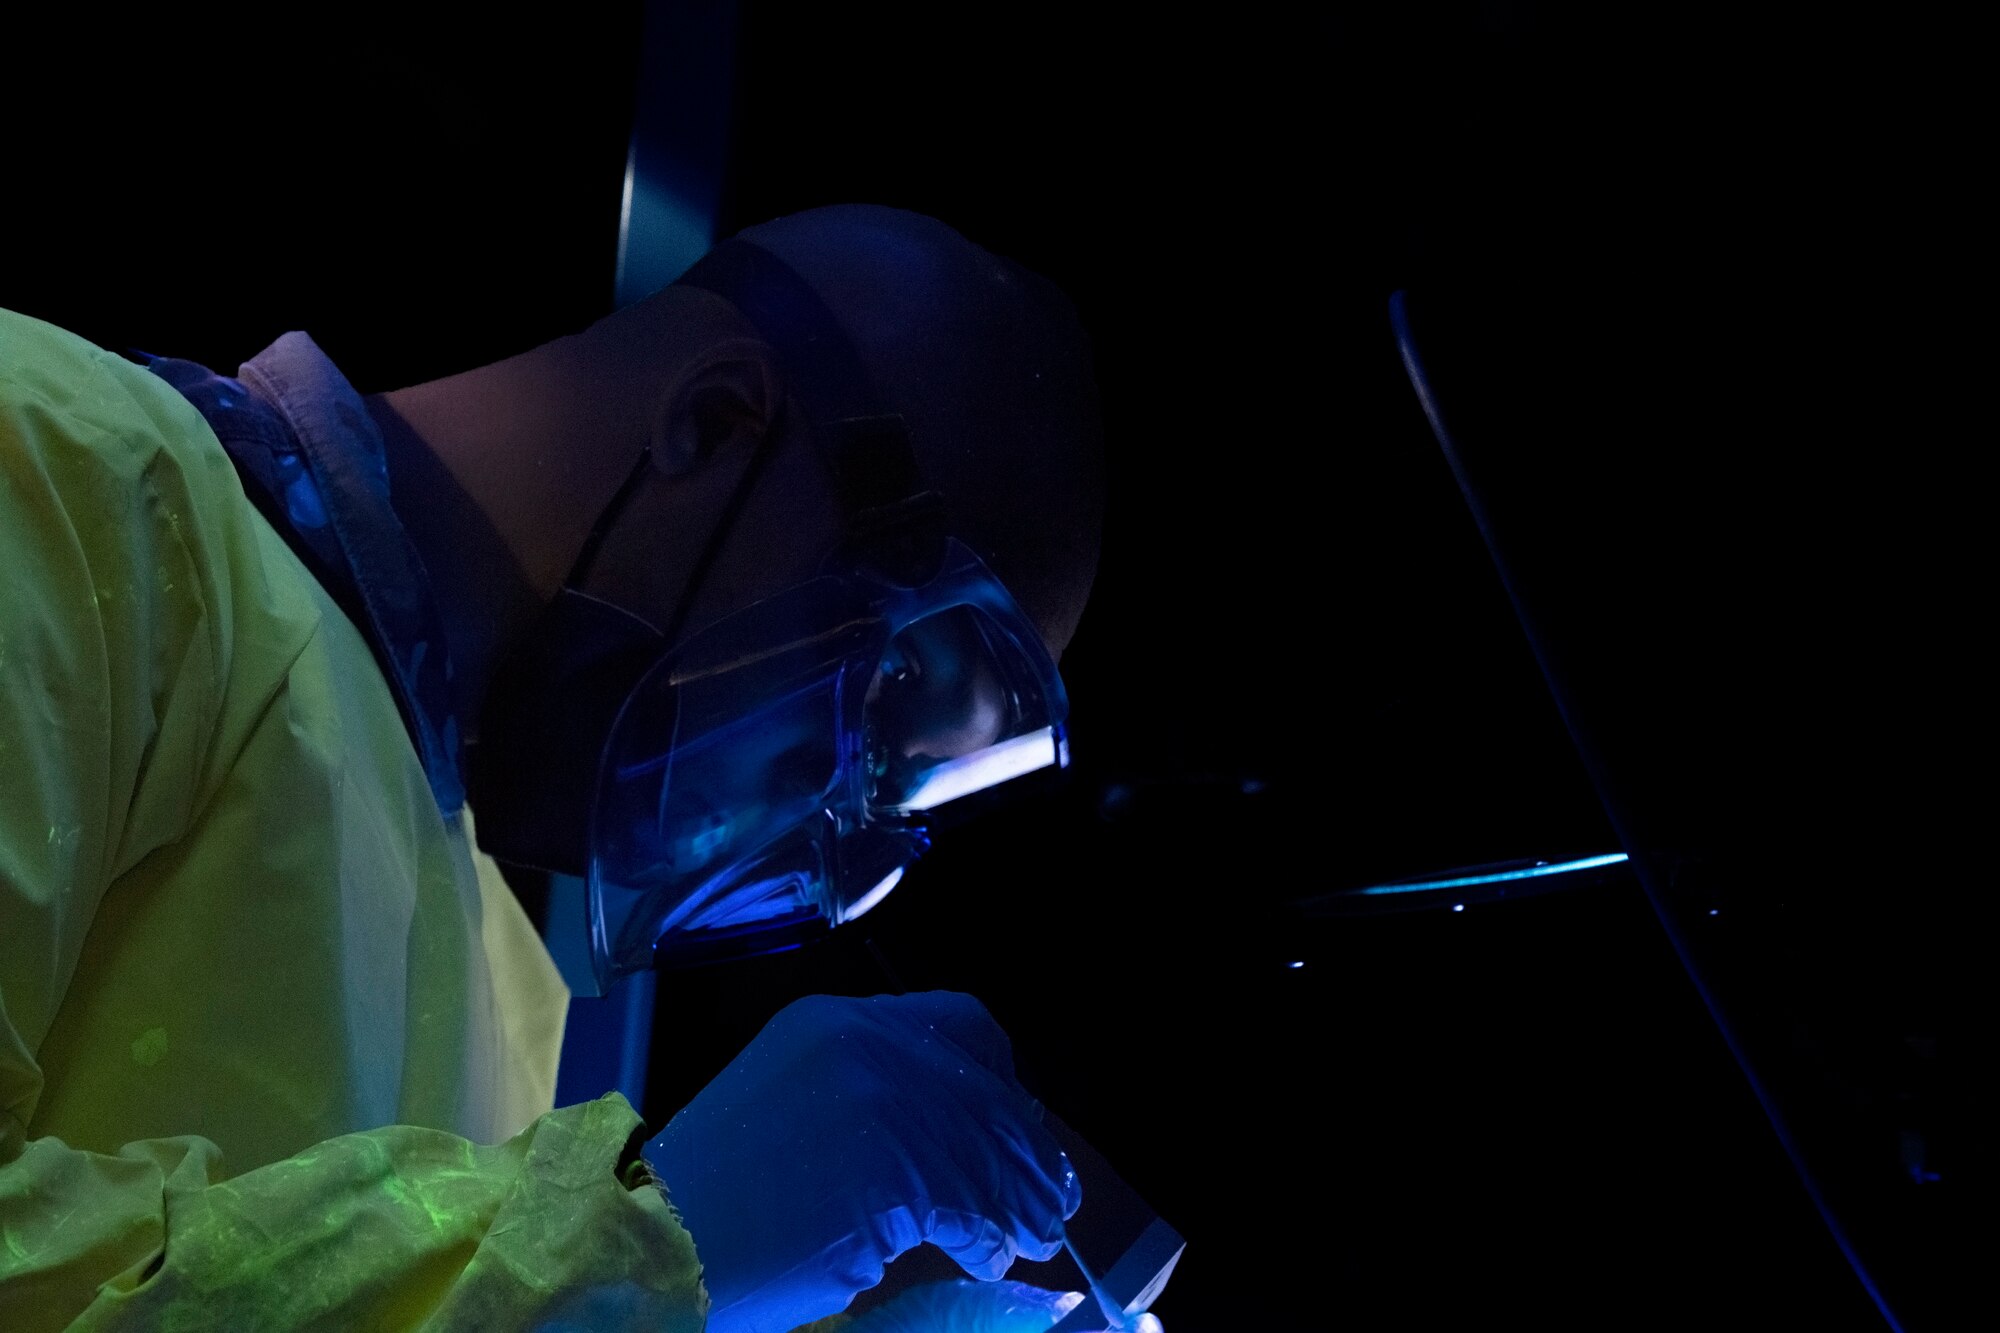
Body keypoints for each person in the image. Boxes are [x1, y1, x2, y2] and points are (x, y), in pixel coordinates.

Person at [0, 205, 1106, 1330]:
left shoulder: (497, 977)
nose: (820, 808)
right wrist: (657, 1239)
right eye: (873, 707)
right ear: (713, 423)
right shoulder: (55, 464)